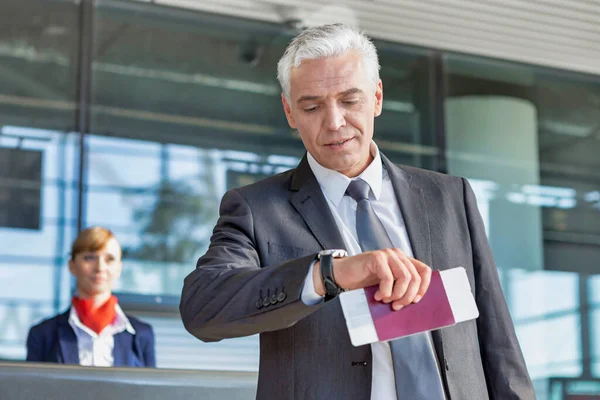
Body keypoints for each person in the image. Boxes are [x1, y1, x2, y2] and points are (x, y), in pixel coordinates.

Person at [180, 23, 535, 399]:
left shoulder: (449, 196)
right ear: (289, 111)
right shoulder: (257, 209)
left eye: (350, 101)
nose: (334, 123)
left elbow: (498, 343)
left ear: (377, 97)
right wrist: (329, 274)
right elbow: (204, 308)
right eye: (313, 106)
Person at [26, 227, 155, 367]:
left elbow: (150, 389)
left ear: (119, 268)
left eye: (110, 259)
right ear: (72, 265)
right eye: (89, 258)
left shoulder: (141, 334)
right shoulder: (43, 335)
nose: (100, 267)